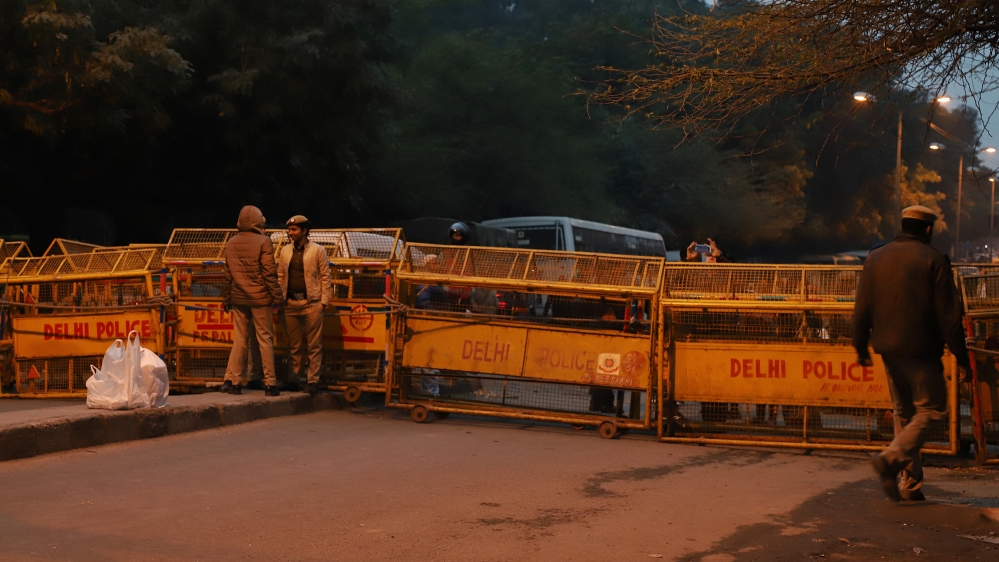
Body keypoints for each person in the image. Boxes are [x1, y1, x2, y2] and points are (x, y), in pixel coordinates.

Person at [853, 205, 971, 502]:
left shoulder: (875, 257)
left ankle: (910, 484)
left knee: (904, 413)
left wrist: (860, 346)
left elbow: (862, 307)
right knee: (932, 410)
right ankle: (891, 460)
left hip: (886, 348)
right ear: (928, 229)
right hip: (921, 349)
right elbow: (949, 317)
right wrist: (962, 356)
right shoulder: (934, 259)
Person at [220, 206, 284, 396]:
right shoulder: (264, 242)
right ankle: (270, 384)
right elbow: (269, 273)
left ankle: (236, 383)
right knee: (265, 339)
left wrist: (225, 299)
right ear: (258, 221)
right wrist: (277, 297)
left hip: (239, 299)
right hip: (261, 298)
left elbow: (227, 275)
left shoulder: (231, 243)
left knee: (240, 340)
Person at [277, 215, 331, 396]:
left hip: (311, 303)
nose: (290, 233)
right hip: (290, 303)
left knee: (314, 345)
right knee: (294, 345)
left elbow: (325, 276)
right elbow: (281, 276)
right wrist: (279, 298)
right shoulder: (284, 251)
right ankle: (293, 379)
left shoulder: (318, 250)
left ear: (304, 231)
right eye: (290, 230)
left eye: (294, 230)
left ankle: (313, 380)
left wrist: (324, 301)